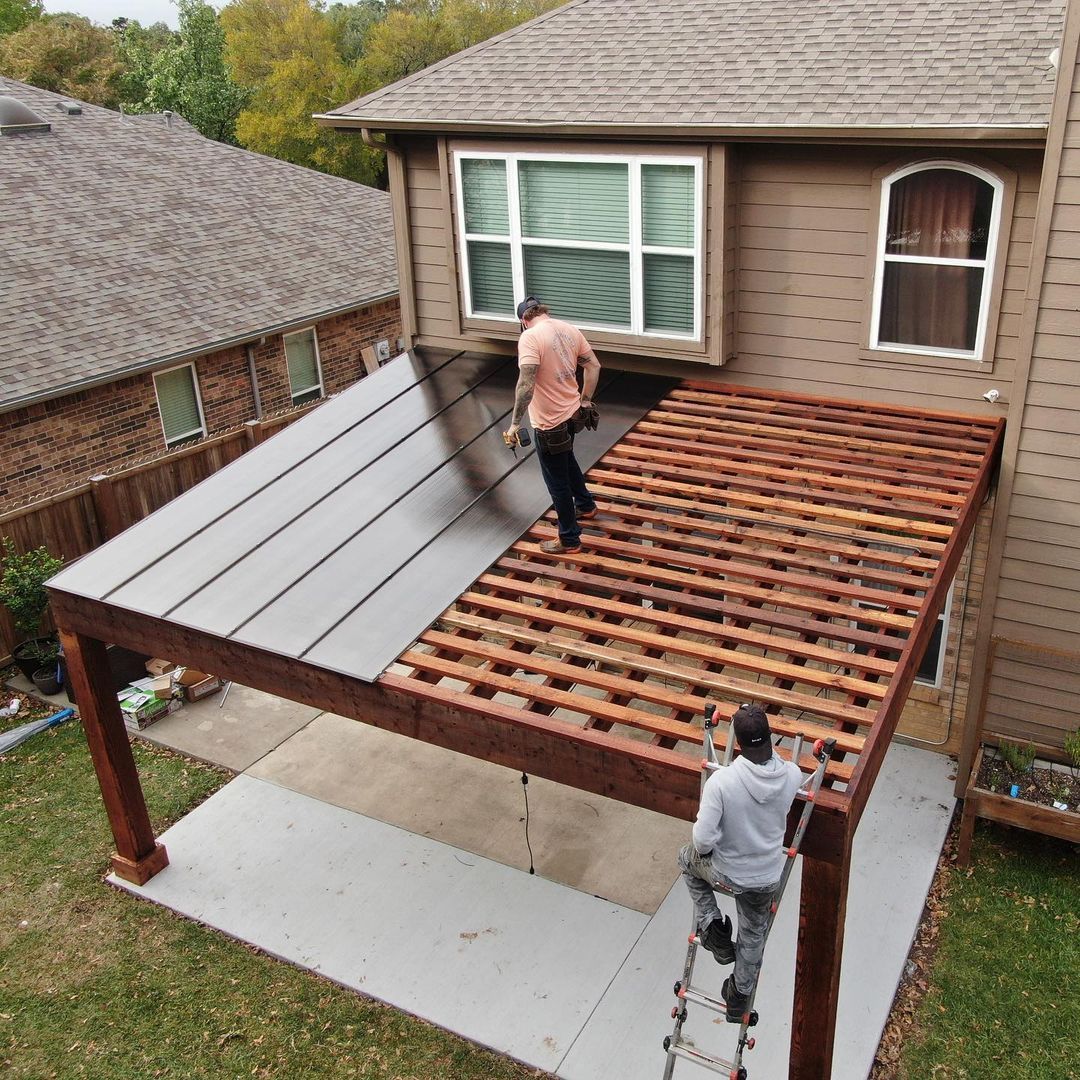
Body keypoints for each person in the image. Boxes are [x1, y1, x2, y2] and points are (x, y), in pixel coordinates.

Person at [677, 703, 803, 1021]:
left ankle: (712, 927)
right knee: (753, 932)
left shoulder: (722, 783)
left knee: (685, 858)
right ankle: (739, 996)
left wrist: (713, 845)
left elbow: (702, 841)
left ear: (738, 743)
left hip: (728, 874)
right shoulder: (792, 775)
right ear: (770, 736)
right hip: (766, 877)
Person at [503, 296, 602, 554]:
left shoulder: (530, 337)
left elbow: (526, 383)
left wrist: (514, 423)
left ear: (524, 320)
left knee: (556, 482)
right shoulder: (568, 329)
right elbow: (593, 365)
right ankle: (586, 505)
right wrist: (586, 401)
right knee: (566, 459)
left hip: (550, 424)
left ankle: (569, 539)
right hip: (572, 414)